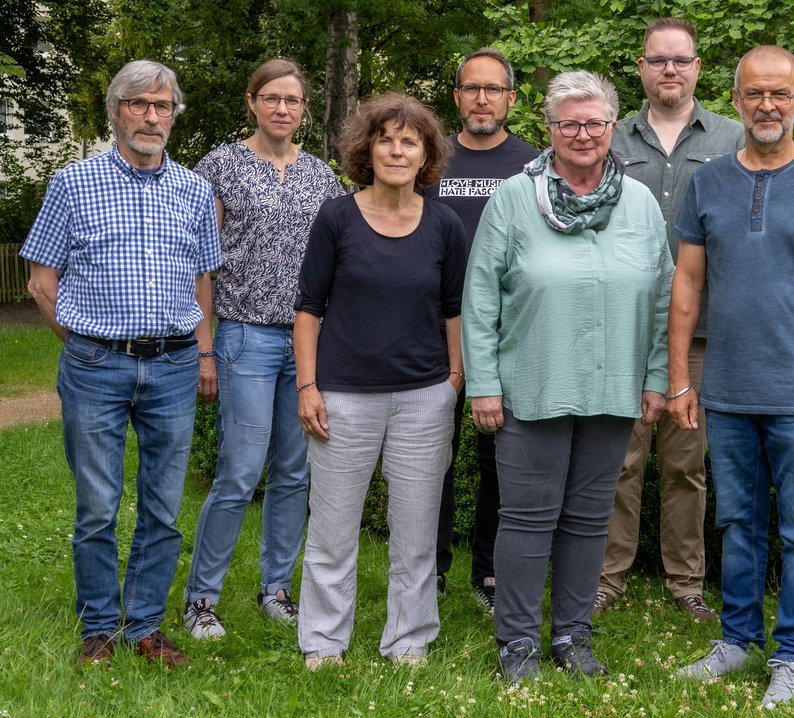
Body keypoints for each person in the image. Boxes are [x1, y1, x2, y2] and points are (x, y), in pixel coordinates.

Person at [668, 46, 794, 708]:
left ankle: (792, 656)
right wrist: (679, 378)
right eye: (754, 93)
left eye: (780, 93)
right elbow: (687, 283)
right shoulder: (709, 182)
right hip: (727, 390)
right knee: (737, 523)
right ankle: (737, 639)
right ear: (736, 99)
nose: (767, 105)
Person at [462, 70, 672, 683]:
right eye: (569, 124)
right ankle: (518, 642)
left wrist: (656, 376)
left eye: (595, 123)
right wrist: (483, 384)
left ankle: (573, 635)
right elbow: (480, 297)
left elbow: (663, 298)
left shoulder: (640, 203)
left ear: (612, 127)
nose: (583, 134)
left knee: (588, 519)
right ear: (550, 130)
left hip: (614, 386)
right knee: (527, 518)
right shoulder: (514, 198)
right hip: (532, 383)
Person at [21, 60, 221, 668]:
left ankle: (145, 626)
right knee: (97, 506)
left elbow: (202, 281)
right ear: (115, 111)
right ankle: (100, 628)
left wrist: (204, 351)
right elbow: (41, 281)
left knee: (163, 507)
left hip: (173, 366)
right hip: (95, 366)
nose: (151, 117)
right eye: (139, 104)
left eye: (162, 106)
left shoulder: (194, 190)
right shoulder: (72, 184)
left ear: (173, 116)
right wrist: (85, 343)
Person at [294, 93, 465, 669]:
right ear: (366, 150)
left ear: (426, 155)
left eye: (408, 141)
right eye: (385, 139)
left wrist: (454, 378)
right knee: (332, 532)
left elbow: (455, 309)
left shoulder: (443, 224)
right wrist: (308, 387)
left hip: (424, 399)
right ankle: (323, 641)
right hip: (341, 398)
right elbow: (309, 308)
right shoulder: (336, 217)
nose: (396, 150)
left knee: (416, 534)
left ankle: (409, 639)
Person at [182, 58, 344, 640]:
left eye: (292, 100)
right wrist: (205, 347)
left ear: (304, 109)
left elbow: (338, 258)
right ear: (251, 101)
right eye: (271, 97)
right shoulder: (220, 166)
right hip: (244, 335)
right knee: (241, 470)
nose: (282, 108)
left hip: (306, 340)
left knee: (295, 472)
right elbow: (201, 263)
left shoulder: (321, 176)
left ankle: (277, 588)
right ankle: (202, 598)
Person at [596, 17, 742, 623]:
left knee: (686, 464)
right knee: (618, 461)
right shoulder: (609, 136)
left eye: (681, 60)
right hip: (623, 326)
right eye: (658, 60)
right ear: (642, 68)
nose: (670, 70)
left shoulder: (733, 137)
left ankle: (686, 581)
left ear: (698, 67)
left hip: (702, 330)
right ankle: (605, 578)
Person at [426, 48, 538, 609]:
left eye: (493, 89)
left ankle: (490, 574)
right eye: (471, 88)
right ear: (456, 97)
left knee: (501, 461)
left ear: (511, 98)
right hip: (432, 329)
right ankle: (430, 570)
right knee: (432, 458)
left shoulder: (534, 164)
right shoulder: (429, 159)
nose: (482, 99)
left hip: (509, 332)